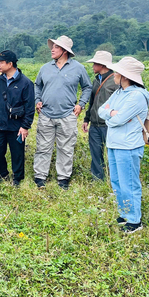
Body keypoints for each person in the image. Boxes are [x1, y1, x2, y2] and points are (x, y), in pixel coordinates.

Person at [98, 57, 149, 234]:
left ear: (125, 76)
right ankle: (124, 213)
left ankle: (134, 220)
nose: (114, 74)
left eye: (117, 72)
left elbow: (117, 120)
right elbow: (101, 110)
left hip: (128, 145)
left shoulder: (136, 96)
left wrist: (112, 114)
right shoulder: (119, 92)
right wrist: (112, 113)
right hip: (114, 143)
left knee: (129, 183)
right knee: (117, 181)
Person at [33, 36, 92, 189]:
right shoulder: (45, 68)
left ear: (65, 51)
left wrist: (81, 104)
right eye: (52, 46)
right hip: (46, 114)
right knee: (43, 146)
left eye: (56, 47)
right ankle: (40, 177)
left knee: (66, 147)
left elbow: (87, 87)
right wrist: (37, 100)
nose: (52, 49)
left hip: (68, 115)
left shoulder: (78, 68)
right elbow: (37, 86)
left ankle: (63, 178)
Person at [0, 51, 35, 186]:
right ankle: (1, 174)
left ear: (10, 64)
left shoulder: (26, 83)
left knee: (17, 152)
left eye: (1, 62)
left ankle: (17, 178)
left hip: (16, 125)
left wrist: (25, 126)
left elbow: (30, 107)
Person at [82, 51, 118, 181]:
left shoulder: (115, 81)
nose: (92, 67)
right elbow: (92, 101)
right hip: (95, 124)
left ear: (102, 65)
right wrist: (87, 119)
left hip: (109, 124)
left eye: (94, 64)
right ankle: (97, 179)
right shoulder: (96, 80)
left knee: (112, 154)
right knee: (95, 153)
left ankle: (113, 179)